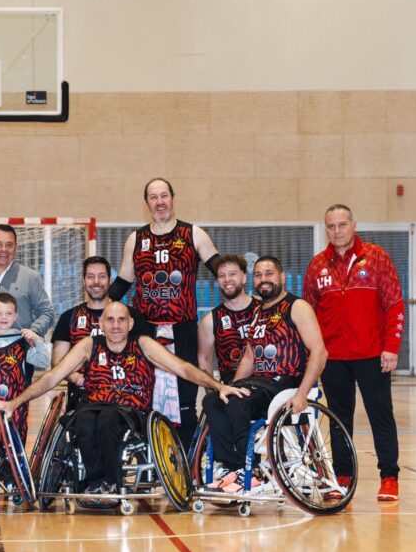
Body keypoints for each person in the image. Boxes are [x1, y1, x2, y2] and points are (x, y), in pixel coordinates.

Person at [0, 301, 247, 496]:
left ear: (130, 324)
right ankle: (94, 482)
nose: (115, 325)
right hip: (93, 406)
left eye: (121, 320)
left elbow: (182, 368)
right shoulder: (90, 345)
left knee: (107, 419)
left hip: (131, 411)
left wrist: (217, 385)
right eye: (110, 320)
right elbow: (52, 376)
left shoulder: (144, 344)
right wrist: (15, 403)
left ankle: (109, 483)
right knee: (82, 420)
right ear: (101, 323)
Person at [303, 203, 404, 502]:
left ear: (353, 225)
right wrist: (314, 353)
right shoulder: (317, 265)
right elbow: (307, 312)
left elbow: (394, 303)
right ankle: (342, 476)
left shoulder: (375, 257)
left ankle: (389, 477)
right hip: (333, 358)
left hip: (373, 354)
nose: (337, 231)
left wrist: (391, 347)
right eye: (331, 226)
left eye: (342, 225)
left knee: (380, 415)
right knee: (338, 419)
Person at [201, 256, 327, 494]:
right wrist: (230, 387)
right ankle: (231, 468)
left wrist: (302, 394)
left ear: (282, 277)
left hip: (285, 383)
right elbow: (249, 358)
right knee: (213, 400)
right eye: (258, 275)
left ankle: (250, 470)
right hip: (260, 385)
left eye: (269, 274)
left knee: (238, 402)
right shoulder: (258, 312)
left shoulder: (297, 306)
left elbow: (320, 351)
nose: (263, 279)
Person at [111, 178, 221, 446]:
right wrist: (94, 306)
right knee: (145, 395)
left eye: (164, 196)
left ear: (173, 197)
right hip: (146, 330)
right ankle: (149, 459)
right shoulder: (136, 239)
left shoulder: (194, 234)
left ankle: (186, 462)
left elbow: (223, 271)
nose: (159, 202)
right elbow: (123, 284)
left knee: (185, 399)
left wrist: (244, 294)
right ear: (146, 202)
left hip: (183, 328)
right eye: (153, 197)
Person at [52, 256, 152, 409]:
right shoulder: (69, 317)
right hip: (82, 397)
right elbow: (57, 362)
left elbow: (147, 359)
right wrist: (75, 377)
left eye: (101, 276)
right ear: (83, 281)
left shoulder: (131, 317)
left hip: (125, 396)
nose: (96, 282)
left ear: (110, 280)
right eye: (90, 277)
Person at [0, 292, 49, 441]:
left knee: (13, 448)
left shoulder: (22, 342)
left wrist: (37, 340)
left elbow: (44, 362)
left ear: (15, 316)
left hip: (15, 408)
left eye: (8, 313)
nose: (4, 317)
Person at [197, 254, 260, 384]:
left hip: (264, 384)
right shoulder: (210, 321)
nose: (227, 279)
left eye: (232, 274)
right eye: (221, 276)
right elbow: (204, 359)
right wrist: (214, 390)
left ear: (244, 277)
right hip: (231, 388)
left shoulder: (262, 309)